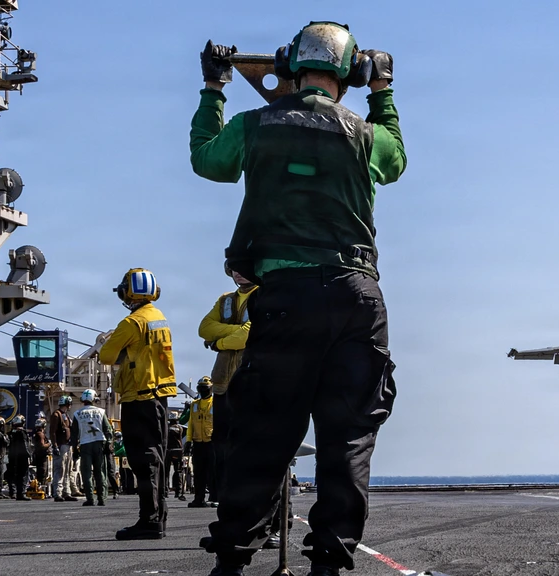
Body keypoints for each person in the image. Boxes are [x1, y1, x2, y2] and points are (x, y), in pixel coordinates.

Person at [191, 22, 404, 575]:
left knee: (262, 435)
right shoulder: (365, 135)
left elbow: (207, 160)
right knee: (348, 438)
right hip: (356, 298)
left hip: (285, 299)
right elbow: (395, 161)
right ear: (351, 73)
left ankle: (233, 561)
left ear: (289, 65)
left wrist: (214, 88)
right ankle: (329, 563)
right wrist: (382, 91)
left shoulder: (255, 125)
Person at [98, 267, 177, 540]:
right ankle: (159, 518)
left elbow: (106, 356)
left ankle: (149, 521)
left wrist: (123, 350)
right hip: (159, 398)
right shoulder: (159, 318)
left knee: (143, 462)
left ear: (127, 293)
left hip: (138, 396)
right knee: (157, 459)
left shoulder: (131, 323)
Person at [199, 264, 257, 499]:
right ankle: (222, 493)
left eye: (243, 266)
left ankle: (246, 492)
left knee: (249, 439)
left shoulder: (264, 296)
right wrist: (236, 330)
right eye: (233, 268)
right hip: (223, 383)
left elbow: (248, 335)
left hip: (250, 381)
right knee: (221, 441)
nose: (238, 272)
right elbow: (204, 328)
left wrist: (218, 343)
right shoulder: (225, 300)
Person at [71, 388, 114, 506]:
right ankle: (102, 498)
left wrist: (74, 449)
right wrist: (109, 443)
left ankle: (90, 498)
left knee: (86, 473)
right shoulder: (101, 412)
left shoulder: (77, 414)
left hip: (85, 444)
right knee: (100, 471)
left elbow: (74, 434)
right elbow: (108, 429)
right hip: (99, 443)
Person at [186, 376, 215, 508]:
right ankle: (199, 498)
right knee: (198, 473)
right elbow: (191, 423)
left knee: (213, 472)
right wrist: (188, 440)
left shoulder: (216, 403)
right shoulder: (194, 405)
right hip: (198, 443)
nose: (203, 391)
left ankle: (215, 497)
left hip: (211, 442)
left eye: (205, 388)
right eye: (200, 388)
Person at [50, 395, 78, 502]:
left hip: (68, 445)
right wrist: (55, 446)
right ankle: (57, 493)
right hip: (61, 446)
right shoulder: (56, 415)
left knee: (68, 469)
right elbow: (52, 432)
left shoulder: (65, 415)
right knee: (60, 469)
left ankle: (67, 492)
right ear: (67, 404)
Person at [6, 415, 31, 501]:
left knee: (14, 475)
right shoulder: (22, 432)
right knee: (23, 475)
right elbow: (25, 445)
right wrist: (29, 455)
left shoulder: (11, 433)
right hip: (22, 456)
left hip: (13, 456)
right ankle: (21, 493)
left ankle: (15, 492)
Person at [167, 411, 185, 500]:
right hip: (177, 451)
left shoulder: (166, 428)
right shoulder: (180, 428)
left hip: (167, 450)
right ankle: (178, 491)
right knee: (178, 471)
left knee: (165, 471)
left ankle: (164, 491)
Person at [32, 417, 52, 496]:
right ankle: (41, 490)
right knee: (43, 473)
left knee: (41, 473)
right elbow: (42, 445)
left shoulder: (36, 433)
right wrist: (49, 443)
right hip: (42, 456)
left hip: (38, 456)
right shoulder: (40, 434)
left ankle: (41, 489)